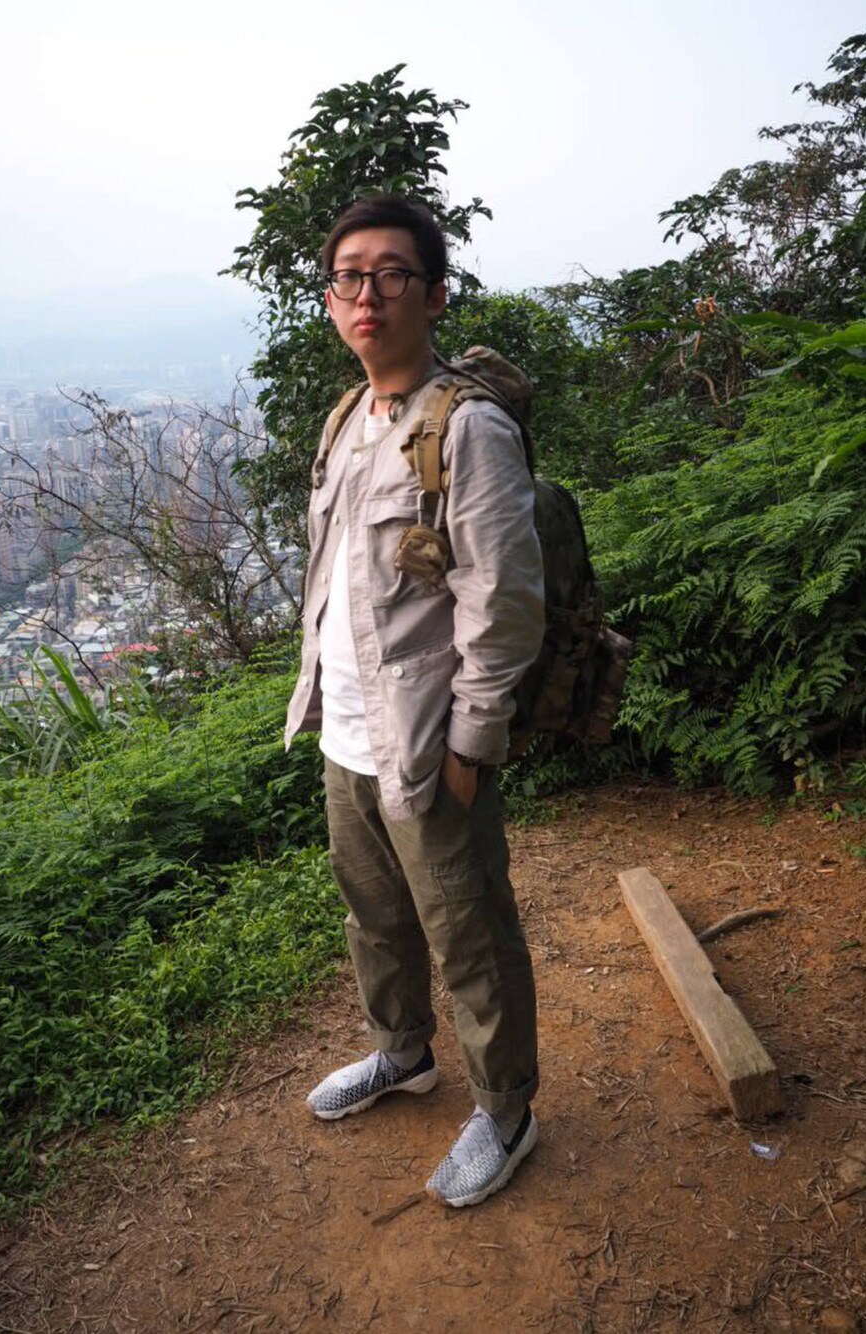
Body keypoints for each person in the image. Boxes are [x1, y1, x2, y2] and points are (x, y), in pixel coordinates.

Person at [284, 194, 545, 1208]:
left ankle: (506, 1111)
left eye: (391, 273)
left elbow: (503, 601)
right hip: (348, 734)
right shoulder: (346, 418)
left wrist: (473, 743)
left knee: (468, 929)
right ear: (330, 298)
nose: (367, 294)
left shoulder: (467, 428)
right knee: (376, 915)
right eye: (347, 276)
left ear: (432, 295)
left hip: (432, 741)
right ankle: (402, 1052)